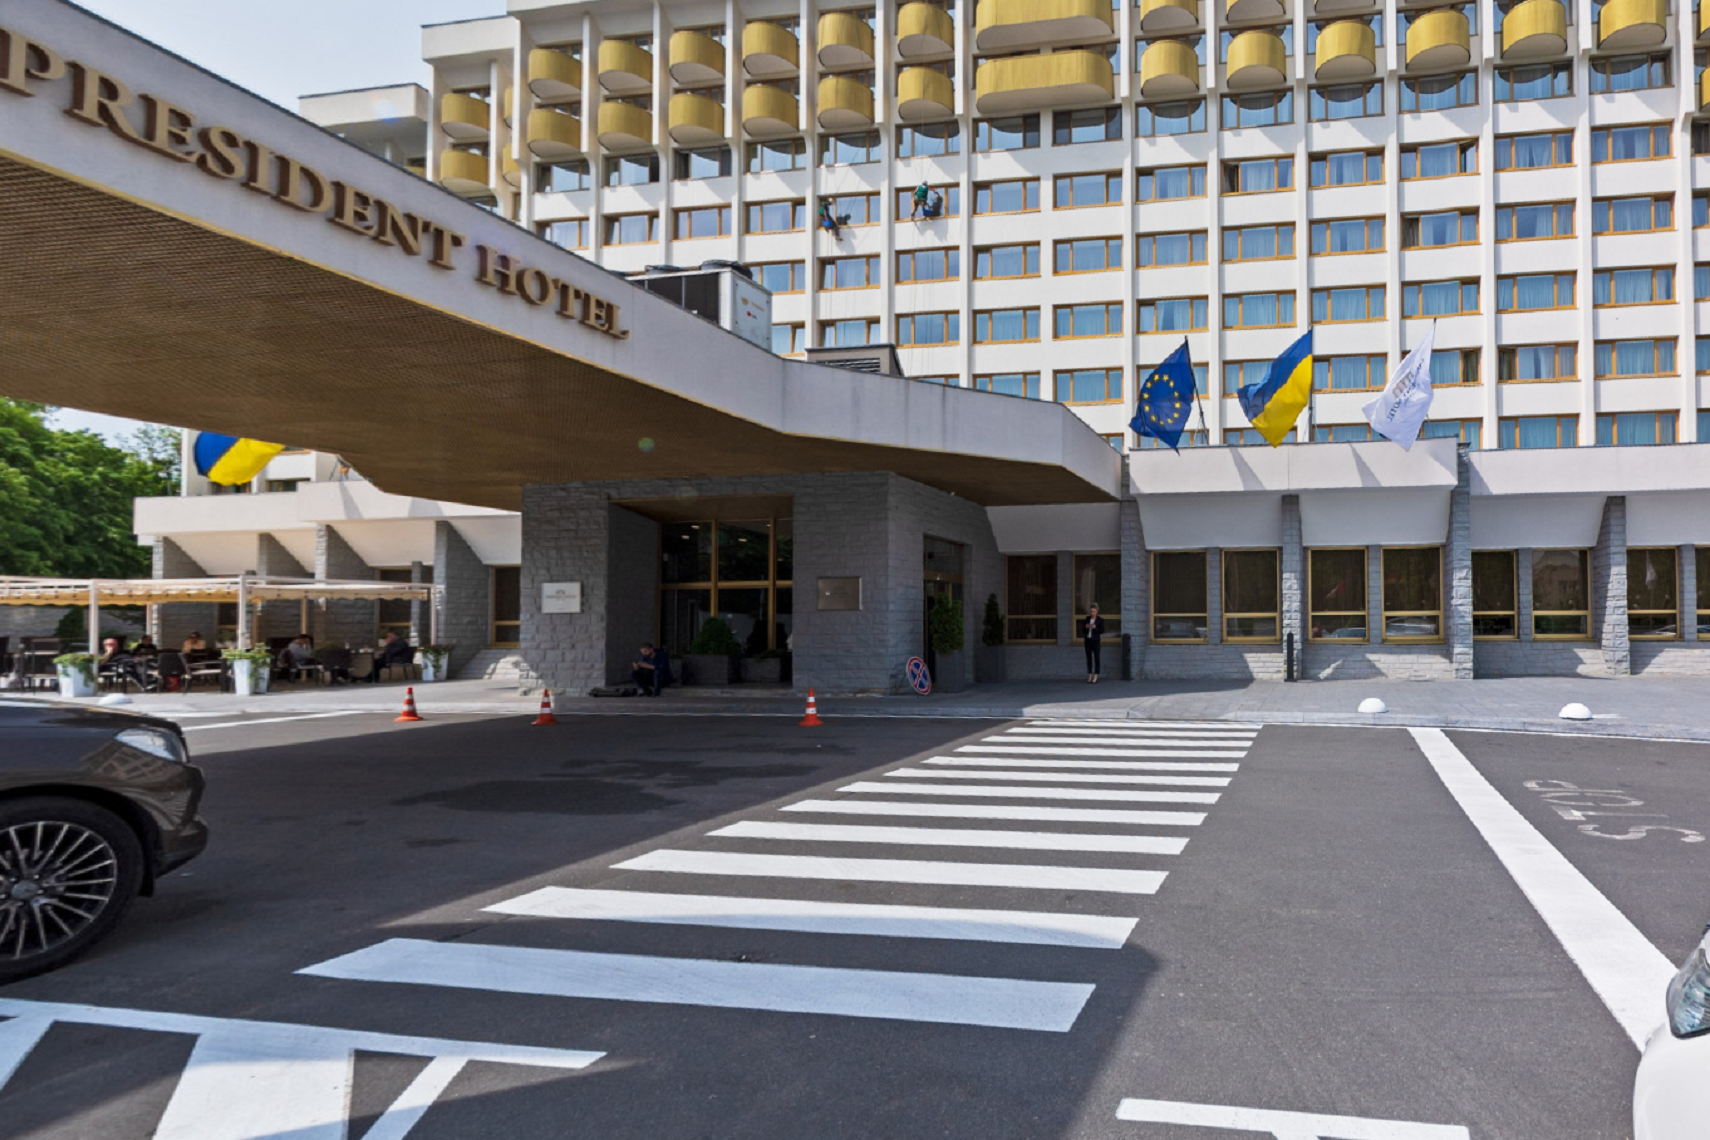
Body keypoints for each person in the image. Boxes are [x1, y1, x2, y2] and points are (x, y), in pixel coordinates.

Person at [1083, 603, 1104, 684]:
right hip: (1088, 640)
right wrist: (1086, 627)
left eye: (1094, 611)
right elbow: (1082, 630)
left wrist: (1095, 628)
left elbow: (1102, 631)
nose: (1092, 613)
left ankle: (1096, 675)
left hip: (1095, 641)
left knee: (1096, 658)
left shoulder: (1100, 620)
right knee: (1089, 658)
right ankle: (1089, 675)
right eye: (1091, 611)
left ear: (1097, 611)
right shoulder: (1087, 619)